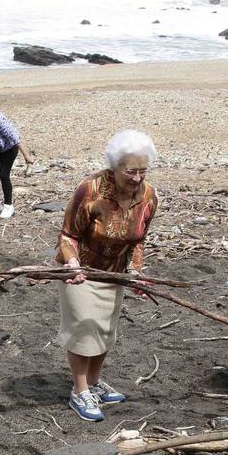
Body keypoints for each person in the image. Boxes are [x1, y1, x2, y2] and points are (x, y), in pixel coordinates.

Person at [56, 129, 158, 422]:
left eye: (142, 170)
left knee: (103, 332)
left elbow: (138, 239)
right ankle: (79, 390)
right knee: (84, 330)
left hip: (115, 274)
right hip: (81, 273)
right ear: (114, 166)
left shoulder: (148, 195)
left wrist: (135, 271)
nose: (137, 178)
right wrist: (73, 263)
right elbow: (67, 234)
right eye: (130, 171)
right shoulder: (90, 189)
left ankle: (94, 382)